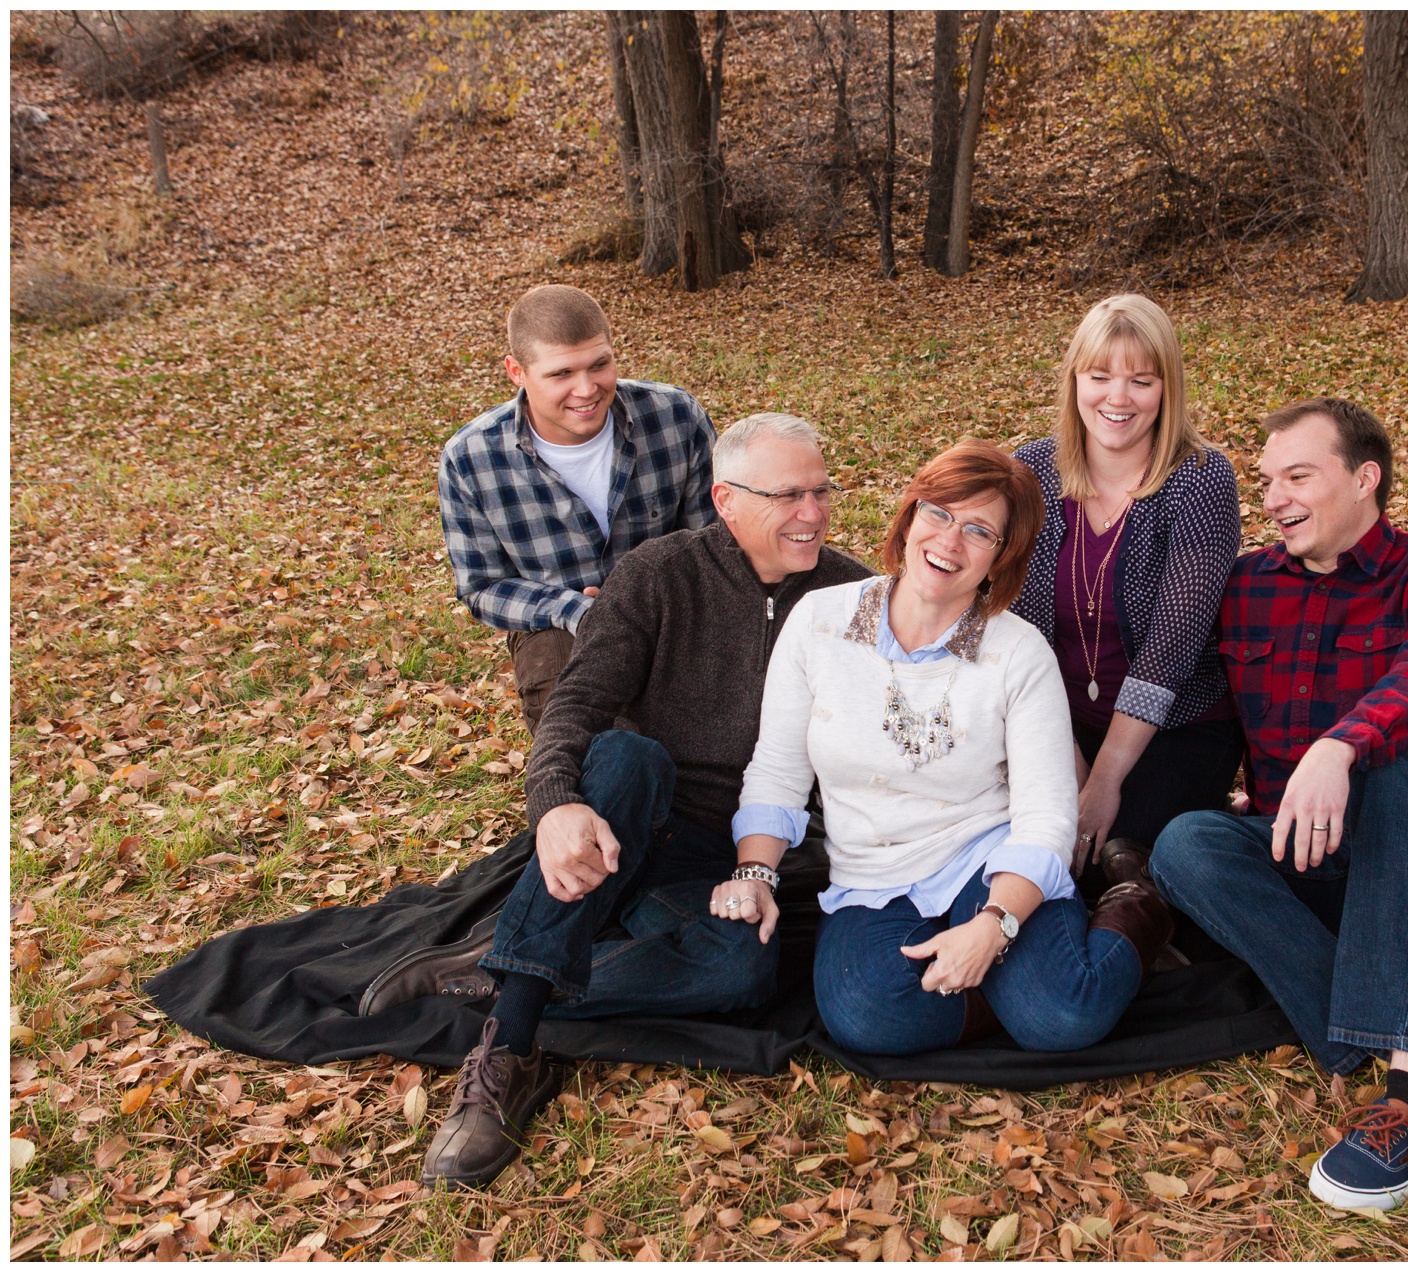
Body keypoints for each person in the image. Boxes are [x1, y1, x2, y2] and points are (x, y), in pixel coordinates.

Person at [378, 413, 870, 1189]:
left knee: (744, 973)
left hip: (741, 854)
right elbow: (576, 705)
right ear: (726, 500)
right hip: (636, 816)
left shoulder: (853, 595)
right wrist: (553, 807)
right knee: (626, 755)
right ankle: (508, 1051)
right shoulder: (658, 574)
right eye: (787, 496)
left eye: (821, 491)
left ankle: (512, 967)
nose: (811, 513)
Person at [1150, 398, 1408, 1213]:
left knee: (1388, 770)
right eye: (1267, 482)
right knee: (1183, 844)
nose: (1272, 500)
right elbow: (1201, 703)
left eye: (1297, 476)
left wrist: (1339, 748)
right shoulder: (1245, 585)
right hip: (1300, 851)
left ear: (1364, 479)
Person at [718, 440, 1176, 1055]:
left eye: (979, 531)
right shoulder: (818, 622)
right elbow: (777, 771)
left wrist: (994, 925)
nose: (949, 542)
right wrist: (755, 872)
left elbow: (1045, 817)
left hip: (985, 858)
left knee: (1065, 1017)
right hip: (872, 875)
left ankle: (1135, 900)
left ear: (1004, 556)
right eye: (938, 513)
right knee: (865, 1017)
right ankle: (1006, 993)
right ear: (909, 517)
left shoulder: (1019, 653)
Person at [1009, 294, 1244, 902]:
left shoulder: (1199, 478)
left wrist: (1105, 777)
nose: (1118, 398)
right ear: (1074, 381)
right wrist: (1067, 764)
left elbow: (1174, 645)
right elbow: (1013, 631)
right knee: (1036, 853)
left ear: (1167, 388)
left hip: (1176, 725)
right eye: (1100, 376)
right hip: (1050, 717)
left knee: (1112, 862)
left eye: (1141, 380)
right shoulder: (1031, 471)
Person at [438, 283, 718, 735]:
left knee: (715, 738)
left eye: (599, 365)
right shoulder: (471, 458)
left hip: (674, 609)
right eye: (561, 374)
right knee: (599, 754)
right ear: (516, 371)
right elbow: (481, 587)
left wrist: (659, 607)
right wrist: (573, 609)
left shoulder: (675, 416)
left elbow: (715, 542)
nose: (586, 389)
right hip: (556, 626)